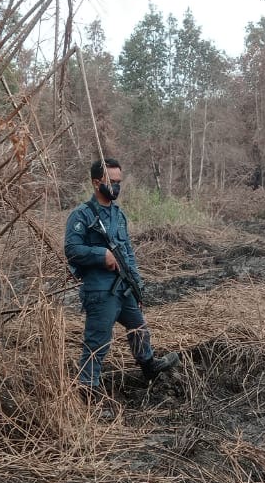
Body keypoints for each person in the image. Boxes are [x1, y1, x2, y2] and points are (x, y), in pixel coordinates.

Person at [65, 158, 180, 401]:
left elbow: (128, 254)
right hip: (100, 290)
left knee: (138, 327)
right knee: (97, 342)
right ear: (97, 183)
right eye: (111, 182)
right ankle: (88, 390)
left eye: (119, 182)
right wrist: (100, 255)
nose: (116, 187)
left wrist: (137, 287)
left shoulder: (118, 215)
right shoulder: (82, 215)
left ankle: (149, 367)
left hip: (123, 288)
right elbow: (72, 249)